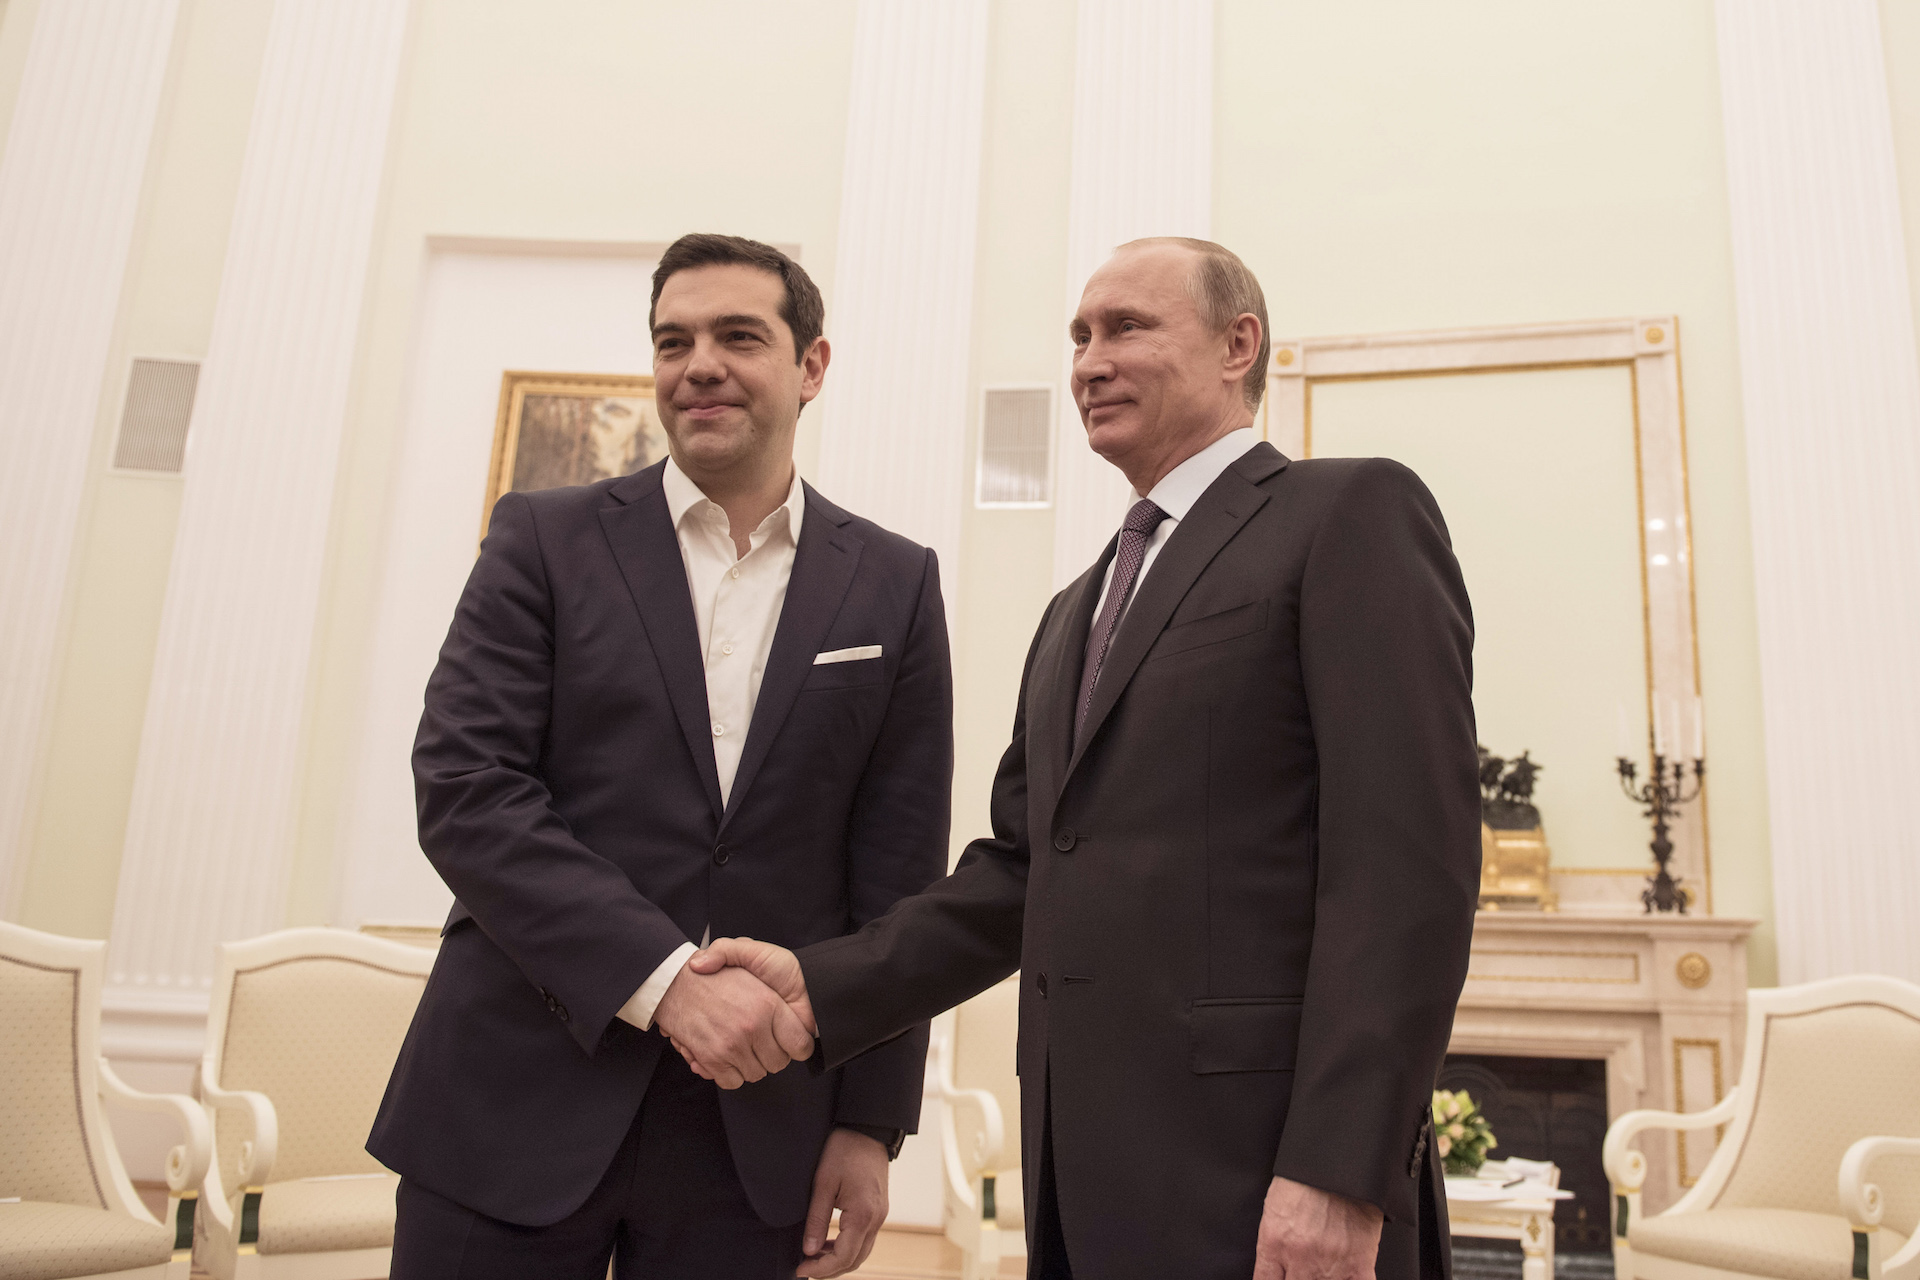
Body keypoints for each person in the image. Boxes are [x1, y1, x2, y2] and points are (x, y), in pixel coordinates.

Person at [688, 238, 1481, 1280]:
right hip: (1086, 1180)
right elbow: (1026, 872)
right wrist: (820, 985)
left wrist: (1341, 1169)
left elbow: (1405, 871)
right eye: (1078, 337)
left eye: (1127, 328)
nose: (1090, 362)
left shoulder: (1348, 512)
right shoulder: (1077, 609)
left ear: (1238, 344)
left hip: (1271, 1183)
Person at [369, 233, 952, 1279]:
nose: (700, 365)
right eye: (673, 341)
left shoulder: (895, 583)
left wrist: (871, 1123)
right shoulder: (542, 539)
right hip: (513, 1095)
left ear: (812, 365)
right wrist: (667, 980)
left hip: (760, 1128)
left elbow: (896, 874)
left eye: (739, 337)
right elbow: (467, 790)